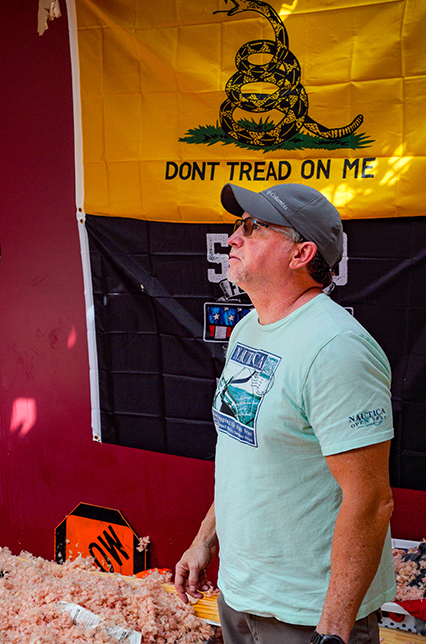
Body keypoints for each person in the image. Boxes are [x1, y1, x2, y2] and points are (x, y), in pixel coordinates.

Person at [174, 182, 395, 644]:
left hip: (307, 614)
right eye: (238, 226)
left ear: (301, 254)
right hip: (240, 593)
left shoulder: (336, 348)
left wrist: (332, 631)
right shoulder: (248, 329)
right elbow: (245, 455)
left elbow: (371, 500)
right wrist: (204, 540)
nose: (233, 238)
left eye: (253, 227)